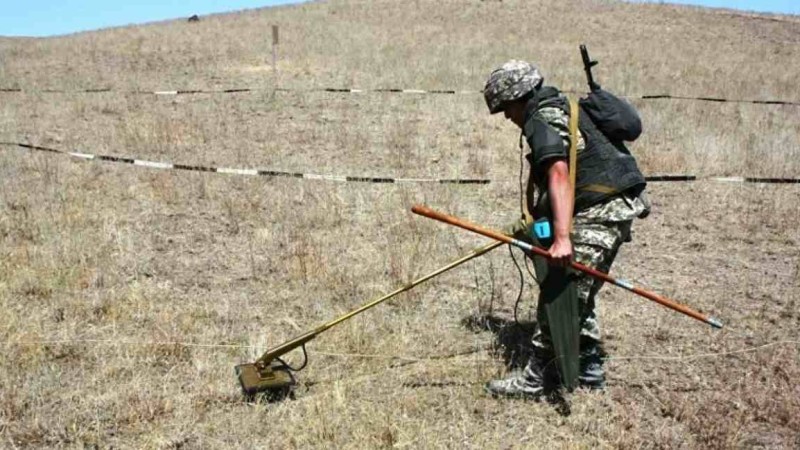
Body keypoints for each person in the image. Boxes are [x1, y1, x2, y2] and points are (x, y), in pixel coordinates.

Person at [482, 60, 649, 398]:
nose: (506, 117)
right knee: (579, 289)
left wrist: (560, 238)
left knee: (562, 292)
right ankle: (588, 369)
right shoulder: (562, 106)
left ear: (519, 97)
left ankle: (539, 377)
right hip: (615, 206)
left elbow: (558, 172)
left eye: (506, 108)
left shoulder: (542, 117)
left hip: (600, 211)